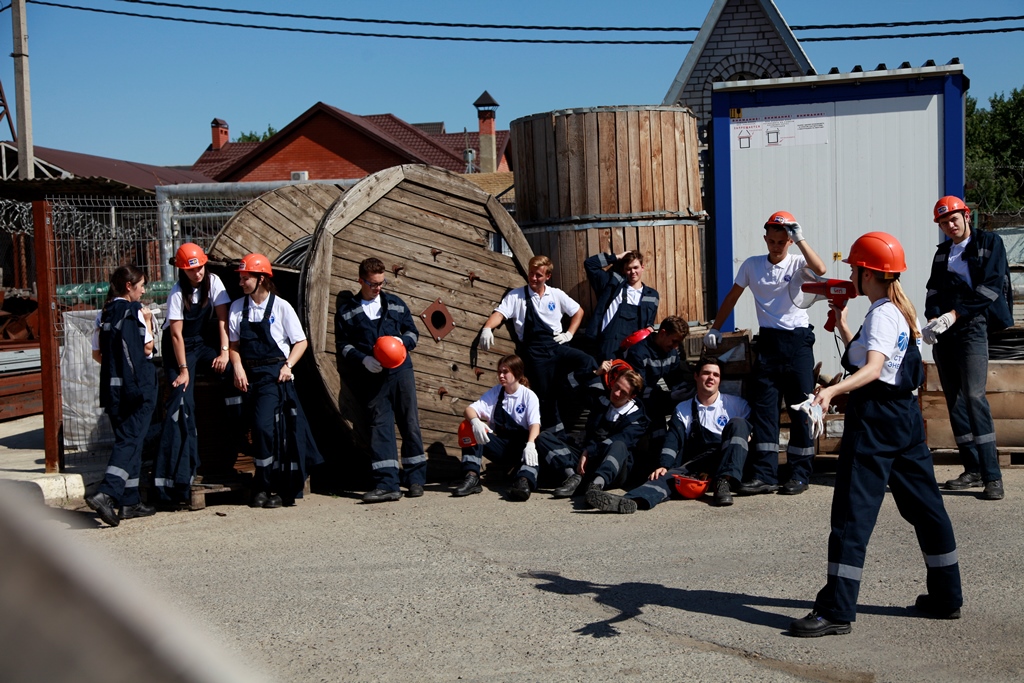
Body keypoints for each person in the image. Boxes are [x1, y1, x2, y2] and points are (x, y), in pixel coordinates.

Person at [789, 232, 962, 637]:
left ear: (868, 273)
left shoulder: (883, 314)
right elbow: (877, 360)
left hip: (875, 422)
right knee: (927, 509)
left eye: (854, 267)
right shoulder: (899, 311)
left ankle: (835, 610)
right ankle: (946, 596)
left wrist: (830, 392)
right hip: (904, 420)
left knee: (852, 516)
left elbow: (872, 370)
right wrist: (844, 324)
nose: (850, 273)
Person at [704, 210, 827, 496]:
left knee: (801, 409)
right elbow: (732, 296)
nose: (776, 246)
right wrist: (716, 327)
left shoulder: (798, 263)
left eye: (782, 242)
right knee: (765, 411)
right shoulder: (752, 265)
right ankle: (765, 475)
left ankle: (799, 474)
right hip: (769, 343)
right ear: (765, 239)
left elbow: (820, 269)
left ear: (790, 242)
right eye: (771, 241)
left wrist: (801, 238)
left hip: (798, 342)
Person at [923, 196, 1011, 501]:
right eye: (944, 222)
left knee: (974, 397)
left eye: (954, 219)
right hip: (946, 333)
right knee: (956, 401)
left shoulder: (989, 243)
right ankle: (972, 469)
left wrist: (954, 314)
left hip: (973, 327)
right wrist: (933, 319)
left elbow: (990, 287)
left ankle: (992, 476)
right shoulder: (942, 253)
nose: (950, 226)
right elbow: (933, 290)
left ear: (966, 216)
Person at [587, 356, 751, 513]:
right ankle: (630, 501)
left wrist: (747, 435)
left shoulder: (737, 405)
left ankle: (724, 482)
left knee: (738, 423)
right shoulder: (683, 409)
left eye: (716, 375)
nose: (711, 378)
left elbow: (748, 433)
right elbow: (673, 440)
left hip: (727, 460)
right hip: (698, 463)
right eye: (706, 373)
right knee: (664, 478)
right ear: (696, 376)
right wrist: (664, 465)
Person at [228, 253, 322, 508]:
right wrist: (237, 367)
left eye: (245, 278)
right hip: (248, 375)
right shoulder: (237, 307)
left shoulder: (281, 307)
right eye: (241, 278)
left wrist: (288, 366)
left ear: (261, 279)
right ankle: (262, 486)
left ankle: (268, 485)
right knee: (247, 431)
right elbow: (234, 346)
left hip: (274, 376)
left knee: (264, 428)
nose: (241, 283)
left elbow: (301, 342)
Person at [335, 257, 426, 503]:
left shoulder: (395, 304)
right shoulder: (348, 311)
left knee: (409, 422)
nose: (378, 288)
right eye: (373, 284)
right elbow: (343, 345)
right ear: (361, 281)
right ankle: (387, 484)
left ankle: (415, 479)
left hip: (401, 371)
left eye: (381, 283)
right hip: (372, 376)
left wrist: (401, 342)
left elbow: (413, 332)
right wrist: (363, 359)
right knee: (380, 427)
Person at [153, 243, 232, 507]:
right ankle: (176, 477)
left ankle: (234, 429)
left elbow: (223, 320)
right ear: (182, 271)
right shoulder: (177, 293)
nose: (197, 273)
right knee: (181, 399)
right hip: (178, 348)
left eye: (199, 268)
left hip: (201, 343)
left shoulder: (214, 282)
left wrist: (224, 353)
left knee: (231, 371)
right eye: (191, 270)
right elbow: (176, 335)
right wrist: (184, 370)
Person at [479, 254, 595, 433]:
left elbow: (578, 311)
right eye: (531, 273)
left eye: (538, 275)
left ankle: (578, 390)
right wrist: (487, 328)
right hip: (534, 353)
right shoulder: (516, 296)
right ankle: (554, 436)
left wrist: (569, 334)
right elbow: (500, 314)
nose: (533, 278)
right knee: (546, 397)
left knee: (587, 360)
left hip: (556, 345)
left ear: (548, 276)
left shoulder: (555, 294)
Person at [86, 265, 158, 527]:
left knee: (130, 440)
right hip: (138, 387)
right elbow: (148, 348)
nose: (144, 290)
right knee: (130, 440)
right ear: (129, 286)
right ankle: (107, 493)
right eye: (142, 285)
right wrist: (148, 322)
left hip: (112, 388)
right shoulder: (135, 311)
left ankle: (130, 501)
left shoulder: (103, 313)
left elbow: (97, 354)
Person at [516, 366, 647, 502]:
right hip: (585, 460)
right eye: (616, 387)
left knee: (619, 445)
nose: (617, 393)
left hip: (612, 469)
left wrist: (589, 451)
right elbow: (568, 385)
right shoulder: (602, 400)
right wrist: (595, 373)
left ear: (632, 396)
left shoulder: (638, 418)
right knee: (544, 437)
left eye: (623, 392)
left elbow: (619, 439)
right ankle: (572, 478)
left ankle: (595, 487)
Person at [452, 354, 541, 497]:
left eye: (505, 372)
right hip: (501, 448)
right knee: (467, 426)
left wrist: (530, 444)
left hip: (521, 449)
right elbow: (469, 410)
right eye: (499, 372)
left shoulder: (528, 396)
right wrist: (476, 422)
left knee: (535, 447)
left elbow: (535, 425)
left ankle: (523, 482)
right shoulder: (495, 392)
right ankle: (472, 477)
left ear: (517, 373)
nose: (501, 375)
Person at [582, 249, 660, 362]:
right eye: (628, 269)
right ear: (623, 270)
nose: (633, 272)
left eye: (636, 267)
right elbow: (590, 264)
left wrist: (650, 328)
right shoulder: (611, 285)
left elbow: (649, 322)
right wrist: (616, 257)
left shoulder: (652, 295)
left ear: (642, 267)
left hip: (636, 348)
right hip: (609, 346)